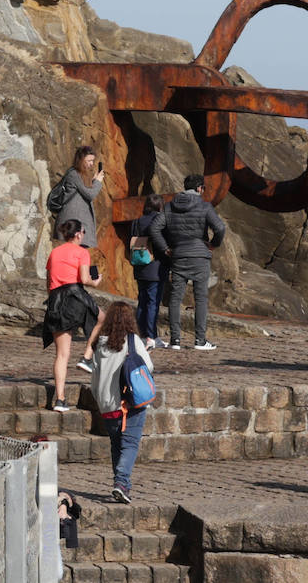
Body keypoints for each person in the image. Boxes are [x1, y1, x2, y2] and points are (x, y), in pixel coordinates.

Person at [148, 174, 226, 351]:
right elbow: (220, 228)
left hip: (178, 256)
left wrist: (165, 248)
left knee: (175, 298)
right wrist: (213, 245)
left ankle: (175, 340)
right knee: (200, 298)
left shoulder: (169, 206)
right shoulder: (205, 206)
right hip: (200, 256)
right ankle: (200, 340)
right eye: (203, 188)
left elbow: (155, 228)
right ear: (199, 188)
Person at [89, 302, 153, 504]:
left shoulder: (99, 344)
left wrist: (100, 400)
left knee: (116, 445)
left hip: (106, 405)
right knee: (130, 444)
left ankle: (121, 484)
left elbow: (94, 377)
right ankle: (121, 482)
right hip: (129, 403)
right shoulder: (133, 341)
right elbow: (148, 366)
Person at [43, 220, 106, 412]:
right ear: (78, 234)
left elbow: (49, 282)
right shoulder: (82, 252)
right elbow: (85, 279)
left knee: (62, 354)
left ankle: (60, 399)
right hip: (74, 296)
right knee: (102, 319)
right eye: (84, 232)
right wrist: (96, 282)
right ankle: (86, 357)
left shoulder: (54, 252)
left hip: (56, 300)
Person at [130, 195, 165, 349]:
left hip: (139, 265)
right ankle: (151, 336)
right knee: (153, 302)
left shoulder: (137, 221)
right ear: (160, 206)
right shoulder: (160, 220)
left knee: (142, 302)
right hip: (155, 267)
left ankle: (141, 335)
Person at [55, 145, 104, 249]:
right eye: (89, 161)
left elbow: (84, 192)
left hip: (77, 221)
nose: (91, 164)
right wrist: (97, 182)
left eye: (92, 161)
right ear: (81, 160)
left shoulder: (79, 174)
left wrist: (94, 182)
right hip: (72, 223)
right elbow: (90, 194)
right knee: (74, 254)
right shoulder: (73, 174)